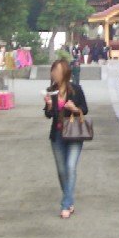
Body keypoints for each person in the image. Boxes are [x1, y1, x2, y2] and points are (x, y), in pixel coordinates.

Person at [43, 59, 89, 219]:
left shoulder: (76, 89)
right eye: (53, 71)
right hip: (57, 135)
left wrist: (74, 109)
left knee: (70, 167)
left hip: (74, 134)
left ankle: (65, 204)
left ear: (65, 73)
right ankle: (69, 200)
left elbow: (85, 109)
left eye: (58, 71)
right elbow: (49, 115)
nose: (54, 74)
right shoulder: (51, 90)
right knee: (62, 171)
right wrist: (48, 105)